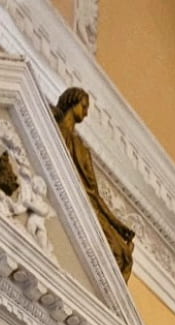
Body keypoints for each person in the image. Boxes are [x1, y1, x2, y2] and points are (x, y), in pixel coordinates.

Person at [52, 87, 135, 280]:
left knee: (123, 255)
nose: (86, 113)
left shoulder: (82, 149)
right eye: (84, 106)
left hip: (84, 204)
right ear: (72, 101)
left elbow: (93, 195)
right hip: (67, 198)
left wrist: (119, 226)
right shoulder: (50, 124)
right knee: (121, 254)